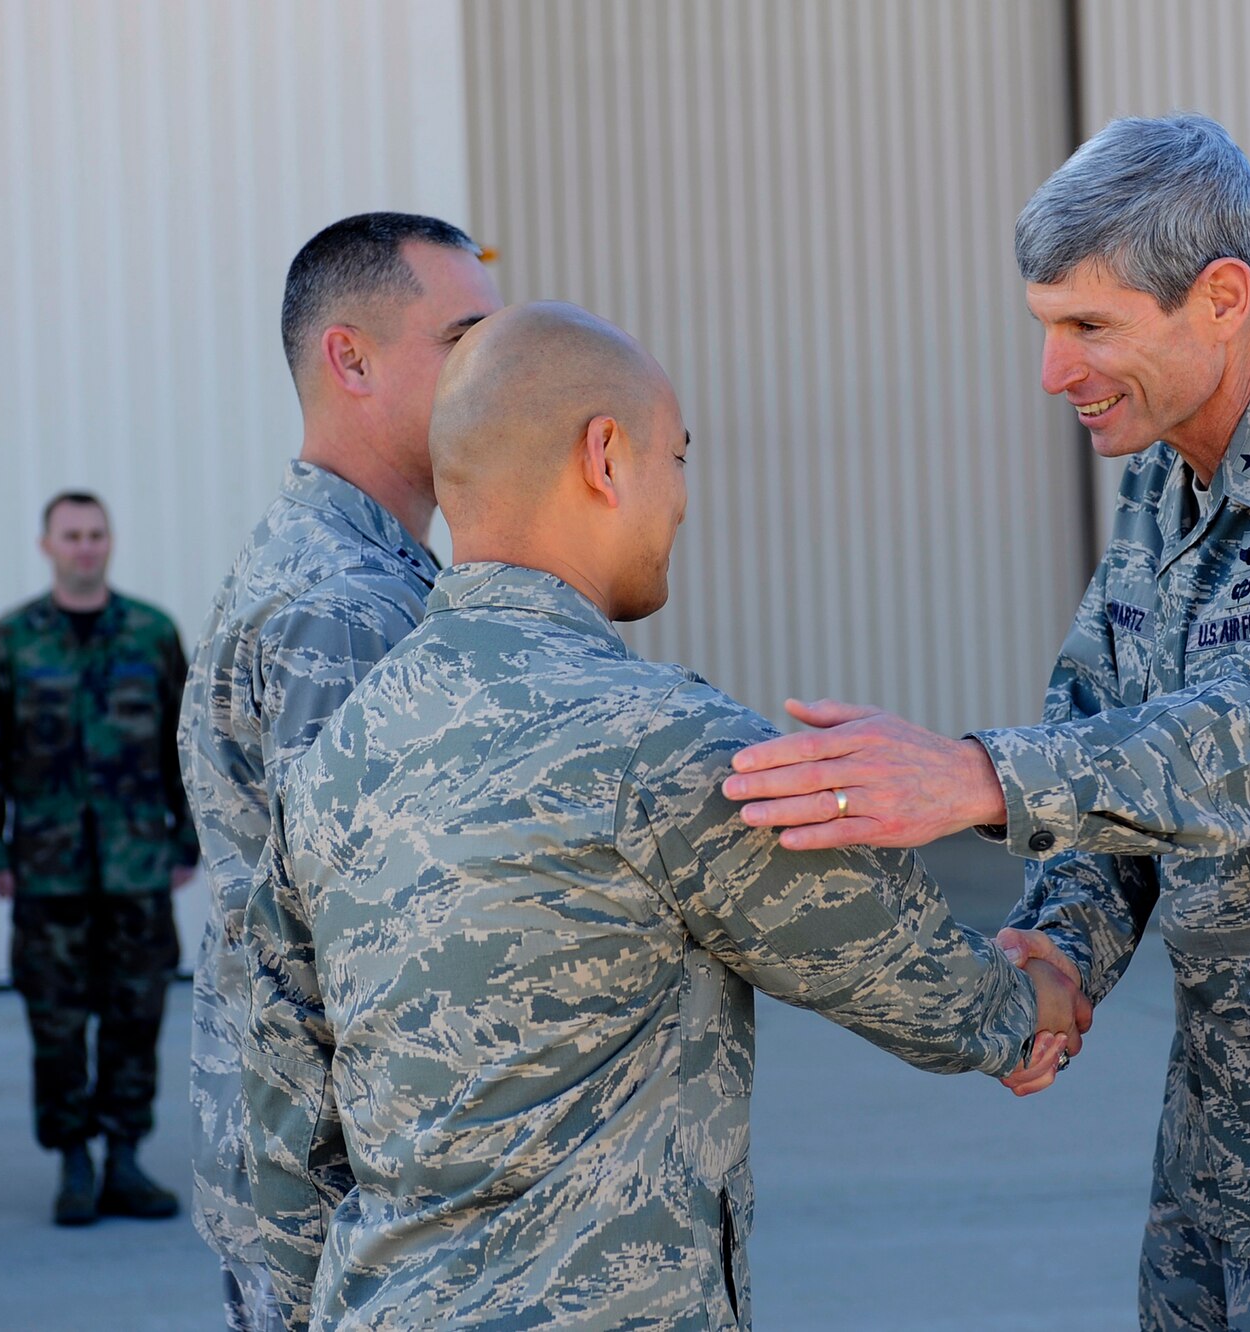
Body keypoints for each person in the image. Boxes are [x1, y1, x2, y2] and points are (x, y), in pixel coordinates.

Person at [721, 113, 1250, 1330]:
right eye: (1044, 328)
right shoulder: (1159, 484)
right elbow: (1107, 738)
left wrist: (977, 777)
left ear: (1220, 296)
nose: (1053, 373)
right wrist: (1062, 951)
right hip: (1215, 1136)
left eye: (1088, 328)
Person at [243, 301, 1083, 1329]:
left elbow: (283, 1106)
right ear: (605, 456)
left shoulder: (339, 753)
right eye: (676, 457)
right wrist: (1029, 1003)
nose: (681, 498)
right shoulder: (660, 744)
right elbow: (909, 977)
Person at [178, 211, 503, 1330]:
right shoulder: (344, 604)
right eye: (463, 340)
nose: (494, 373)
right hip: (336, 1178)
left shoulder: (361, 568)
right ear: (349, 359)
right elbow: (371, 943)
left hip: (306, 1149)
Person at [0, 491, 199, 1227]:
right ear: (47, 546)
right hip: (47, 868)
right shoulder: (12, 638)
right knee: (57, 1024)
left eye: (97, 534)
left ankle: (125, 1159)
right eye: (72, 536)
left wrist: (186, 838)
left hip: (135, 866)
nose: (86, 547)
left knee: (136, 1016)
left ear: (110, 542)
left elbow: (186, 745)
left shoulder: (152, 633)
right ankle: (72, 1163)